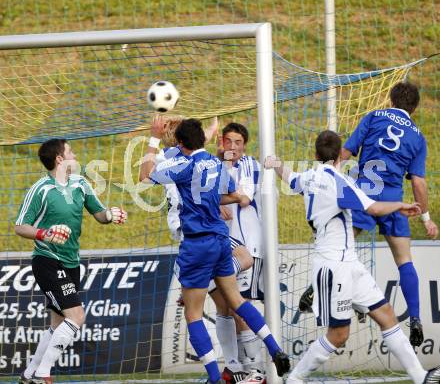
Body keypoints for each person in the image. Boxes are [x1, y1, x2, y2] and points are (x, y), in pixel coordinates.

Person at [264, 130, 440, 384]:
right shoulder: (340, 182)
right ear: (339, 157)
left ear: (315, 155)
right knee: (338, 335)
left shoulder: (310, 178)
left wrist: (275, 162)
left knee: (386, 314)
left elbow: (291, 178)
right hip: (334, 267)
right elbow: (374, 208)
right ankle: (295, 379)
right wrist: (401, 206)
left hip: (349, 264)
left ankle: (419, 376)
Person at [142, 117, 290, 384]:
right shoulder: (214, 162)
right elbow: (231, 193)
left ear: (181, 142)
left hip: (196, 244)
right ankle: (273, 348)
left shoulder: (180, 164)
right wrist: (228, 199)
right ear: (203, 140)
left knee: (193, 313)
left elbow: (144, 175)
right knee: (235, 301)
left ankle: (214, 377)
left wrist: (153, 138)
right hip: (220, 240)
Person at [299, 81, 438, 346]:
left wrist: (327, 176)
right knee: (404, 260)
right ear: (415, 108)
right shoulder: (418, 136)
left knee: (338, 246)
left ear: (391, 99)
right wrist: (426, 218)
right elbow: (418, 182)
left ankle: (316, 289)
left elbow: (346, 152)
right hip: (392, 201)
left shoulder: (374, 116)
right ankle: (416, 319)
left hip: (363, 195)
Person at [15, 139, 127, 384]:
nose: (75, 156)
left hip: (71, 262)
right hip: (47, 260)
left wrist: (111, 214)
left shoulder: (80, 184)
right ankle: (43, 374)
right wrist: (44, 233)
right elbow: (20, 227)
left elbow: (99, 214)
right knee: (76, 316)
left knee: (57, 324)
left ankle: (27, 375)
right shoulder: (41, 189)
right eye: (71, 152)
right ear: (59, 159)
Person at [216, 123, 266, 384]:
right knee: (230, 308)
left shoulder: (250, 165)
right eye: (228, 141)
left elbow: (243, 197)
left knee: (241, 307)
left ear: (244, 145)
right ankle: (242, 369)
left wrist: (221, 198)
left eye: (237, 142)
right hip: (224, 246)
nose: (232, 147)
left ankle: (257, 370)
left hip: (248, 246)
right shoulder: (215, 165)